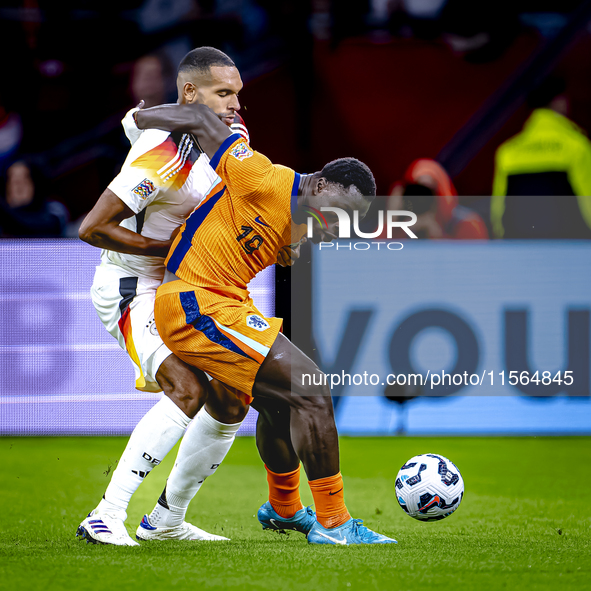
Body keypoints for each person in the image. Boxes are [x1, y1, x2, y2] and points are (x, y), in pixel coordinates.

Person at [132, 100, 397, 545]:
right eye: (340, 210)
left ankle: (284, 508)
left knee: (281, 403)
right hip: (195, 302)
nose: (338, 225)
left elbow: (259, 236)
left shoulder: (302, 220)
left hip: (225, 302)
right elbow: (200, 119)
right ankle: (334, 524)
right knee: (310, 388)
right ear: (322, 183)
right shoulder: (262, 175)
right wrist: (137, 120)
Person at [76, 47, 253, 546]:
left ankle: (166, 521)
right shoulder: (166, 151)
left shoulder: (227, 139)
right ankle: (106, 514)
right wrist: (172, 248)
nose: (236, 104)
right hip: (132, 286)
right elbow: (93, 227)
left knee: (231, 397)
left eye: (238, 93)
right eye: (224, 93)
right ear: (192, 94)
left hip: (184, 288)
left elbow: (135, 120)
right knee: (187, 387)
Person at [491, 76, 591, 239]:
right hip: (568, 249)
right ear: (559, 102)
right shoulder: (577, 147)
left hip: (522, 248)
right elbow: (588, 203)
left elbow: (498, 212)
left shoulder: (507, 152)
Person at [384, 158, 488, 239]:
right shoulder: (400, 225)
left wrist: (437, 237)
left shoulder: (467, 224)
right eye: (416, 191)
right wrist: (391, 218)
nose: (421, 199)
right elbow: (379, 254)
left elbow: (473, 262)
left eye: (429, 192)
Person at [0, 159, 69, 237]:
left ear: (36, 183)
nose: (18, 187)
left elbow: (38, 229)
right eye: (13, 181)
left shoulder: (54, 210)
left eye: (24, 180)